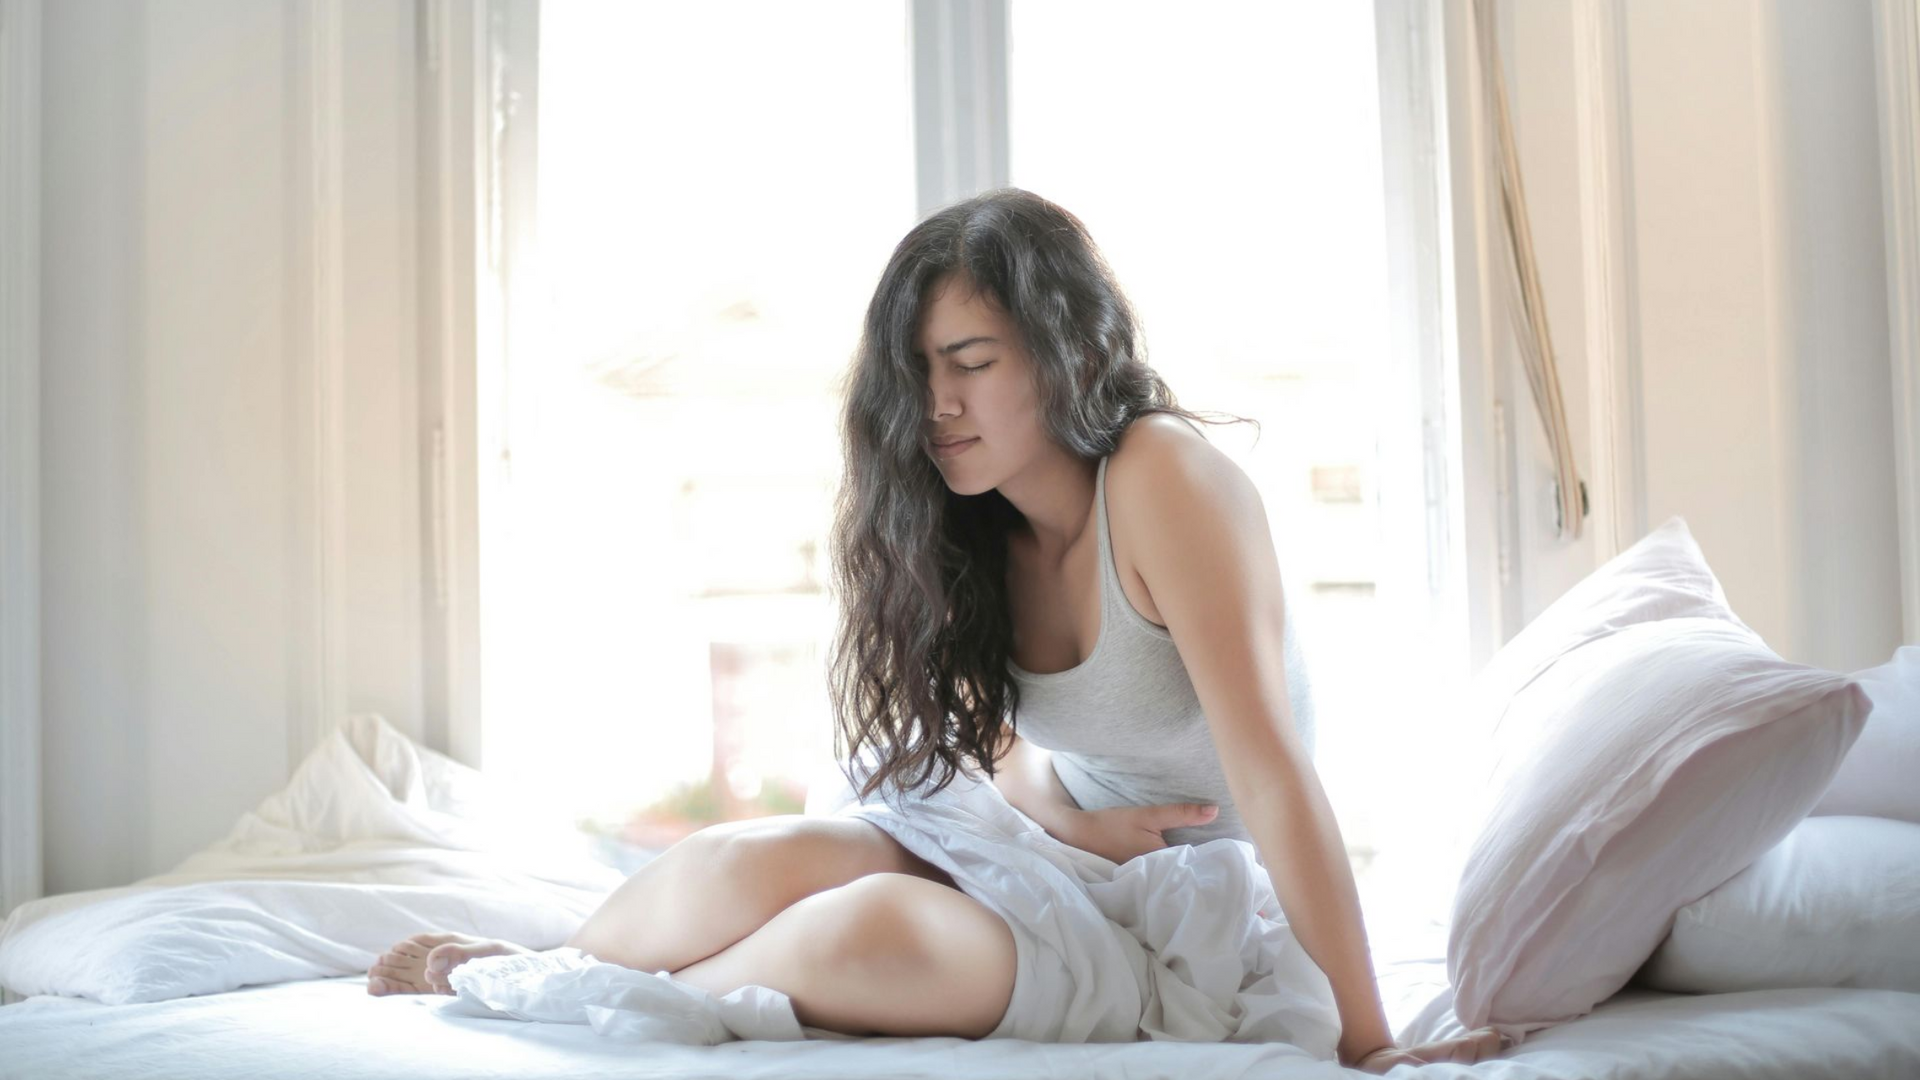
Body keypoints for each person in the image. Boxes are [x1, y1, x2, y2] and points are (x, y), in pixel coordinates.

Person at [365, 188, 1504, 1070]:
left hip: (1189, 917)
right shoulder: (976, 525)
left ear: (1074, 354)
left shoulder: (1164, 481)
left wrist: (1369, 1038)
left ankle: (579, 996)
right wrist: (1063, 811)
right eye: (921, 372)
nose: (939, 403)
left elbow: (1274, 770)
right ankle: (555, 964)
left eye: (971, 362)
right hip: (1055, 856)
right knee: (767, 855)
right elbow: (997, 748)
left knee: (872, 930)